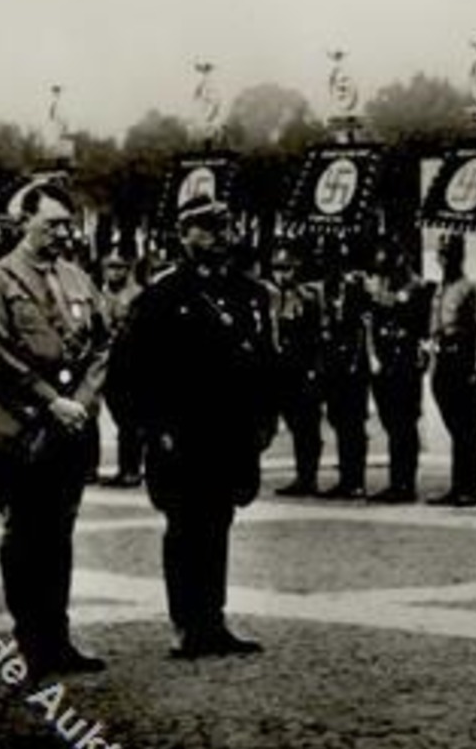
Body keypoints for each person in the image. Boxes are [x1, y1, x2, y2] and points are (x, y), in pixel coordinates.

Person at [120, 194, 277, 657]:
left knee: (219, 523)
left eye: (223, 226)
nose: (218, 236)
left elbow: (264, 361)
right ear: (184, 235)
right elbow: (132, 371)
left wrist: (264, 418)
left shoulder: (249, 294)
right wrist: (152, 427)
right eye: (205, 228)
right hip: (182, 435)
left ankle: (214, 619)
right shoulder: (162, 297)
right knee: (185, 527)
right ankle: (186, 623)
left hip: (229, 433)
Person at [0, 183, 110, 674]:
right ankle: (30, 640)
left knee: (60, 533)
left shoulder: (76, 278)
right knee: (25, 535)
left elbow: (101, 345)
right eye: (51, 224)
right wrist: (52, 402)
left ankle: (58, 637)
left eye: (66, 225)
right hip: (23, 428)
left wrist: (83, 403)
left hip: (71, 429)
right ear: (24, 222)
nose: (61, 233)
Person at [367, 245, 435, 504]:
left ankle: (405, 483)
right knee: (392, 424)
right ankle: (397, 481)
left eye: (391, 268)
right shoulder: (382, 288)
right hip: (385, 363)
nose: (387, 274)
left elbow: (410, 314)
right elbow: (372, 321)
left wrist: (382, 297)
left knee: (404, 426)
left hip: (405, 360)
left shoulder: (418, 288)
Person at [428, 232, 476, 506]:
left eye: (450, 254)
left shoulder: (471, 289)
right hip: (442, 361)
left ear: (460, 256)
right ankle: (457, 485)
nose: (445, 260)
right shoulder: (440, 290)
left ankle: (469, 487)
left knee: (469, 428)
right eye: (442, 254)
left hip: (463, 359)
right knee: (455, 426)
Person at [268, 246, 327, 497]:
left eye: (287, 268)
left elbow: (315, 337)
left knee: (306, 427)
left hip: (301, 370)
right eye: (277, 269)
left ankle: (307, 476)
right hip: (279, 371)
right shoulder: (269, 297)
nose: (282, 274)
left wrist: (314, 369)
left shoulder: (307, 297)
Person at [319, 246, 372, 499]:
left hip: (353, 362)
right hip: (334, 364)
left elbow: (363, 328)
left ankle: (356, 478)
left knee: (354, 424)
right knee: (339, 419)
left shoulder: (357, 287)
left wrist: (358, 359)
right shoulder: (327, 290)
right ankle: (346, 477)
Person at [99, 251, 145, 486]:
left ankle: (132, 469)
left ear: (128, 270)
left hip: (131, 363)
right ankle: (126, 467)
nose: (114, 272)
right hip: (108, 362)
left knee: (130, 418)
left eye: (119, 267)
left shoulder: (137, 295)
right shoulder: (102, 293)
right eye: (110, 267)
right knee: (119, 414)